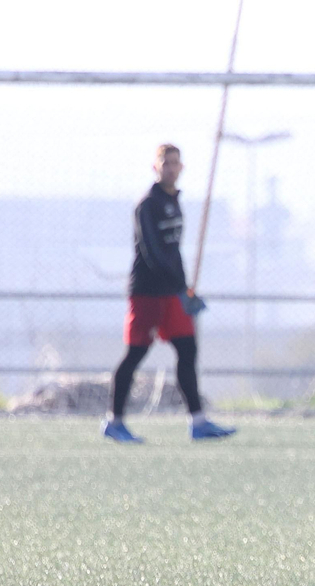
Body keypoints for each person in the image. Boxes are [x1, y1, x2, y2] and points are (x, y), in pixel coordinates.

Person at [103, 144, 235, 443]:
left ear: (181, 167)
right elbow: (153, 253)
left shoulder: (174, 201)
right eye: (166, 163)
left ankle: (198, 422)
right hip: (148, 293)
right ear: (156, 167)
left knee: (187, 349)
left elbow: (174, 254)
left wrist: (185, 288)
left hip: (173, 292)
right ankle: (114, 421)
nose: (171, 168)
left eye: (176, 163)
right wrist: (179, 286)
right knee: (136, 353)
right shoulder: (147, 204)